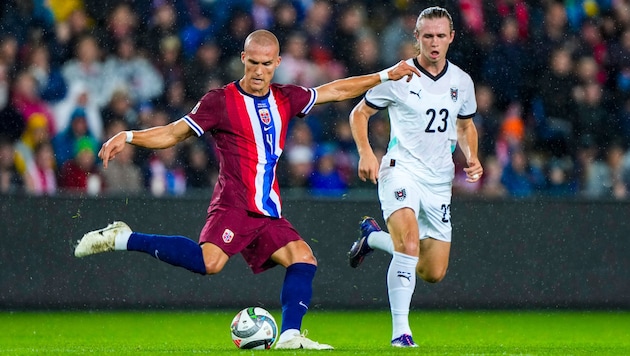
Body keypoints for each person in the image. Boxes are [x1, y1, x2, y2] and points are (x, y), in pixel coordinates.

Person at [74, 29, 419, 350]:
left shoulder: (285, 98)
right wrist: (130, 136)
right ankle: (124, 237)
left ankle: (290, 335)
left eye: (266, 64)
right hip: (234, 204)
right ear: (243, 58)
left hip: (267, 208)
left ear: (277, 63)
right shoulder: (220, 101)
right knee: (209, 263)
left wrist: (386, 74)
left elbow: (337, 90)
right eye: (252, 63)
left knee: (303, 257)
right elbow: (173, 133)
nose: (258, 71)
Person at [346, 7, 483, 348]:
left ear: (451, 37)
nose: (434, 43)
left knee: (431, 272)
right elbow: (359, 112)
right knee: (408, 245)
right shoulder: (400, 76)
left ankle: (373, 239)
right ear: (417, 38)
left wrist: (473, 156)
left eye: (440, 36)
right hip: (400, 170)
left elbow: (465, 126)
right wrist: (366, 152)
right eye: (427, 36)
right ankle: (400, 333)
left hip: (439, 180)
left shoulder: (462, 82)